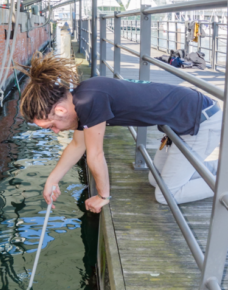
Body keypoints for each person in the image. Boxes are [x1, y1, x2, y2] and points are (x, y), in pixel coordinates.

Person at [18, 53, 220, 213]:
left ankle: (224, 185)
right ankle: (221, 170)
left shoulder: (89, 101)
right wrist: (52, 180)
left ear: (60, 111)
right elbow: (77, 145)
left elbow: (95, 154)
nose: (55, 131)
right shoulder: (81, 98)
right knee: (155, 179)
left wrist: (103, 196)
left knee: (167, 195)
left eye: (51, 126)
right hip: (177, 125)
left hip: (199, 122)